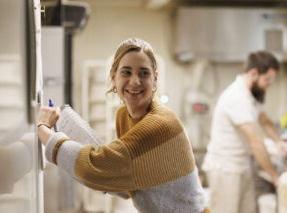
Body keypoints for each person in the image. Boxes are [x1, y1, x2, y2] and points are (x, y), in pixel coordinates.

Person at [37, 38, 209, 213]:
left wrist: (42, 128)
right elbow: (124, 181)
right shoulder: (124, 116)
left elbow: (96, 166)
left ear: (155, 79)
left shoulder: (160, 124)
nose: (135, 81)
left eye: (144, 73)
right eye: (126, 72)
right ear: (114, 78)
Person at [202, 51, 287, 213]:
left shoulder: (251, 96)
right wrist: (274, 176)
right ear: (254, 74)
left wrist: (279, 142)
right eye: (268, 79)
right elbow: (255, 142)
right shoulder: (236, 97)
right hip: (225, 170)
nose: (270, 83)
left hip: (241, 166)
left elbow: (265, 121)